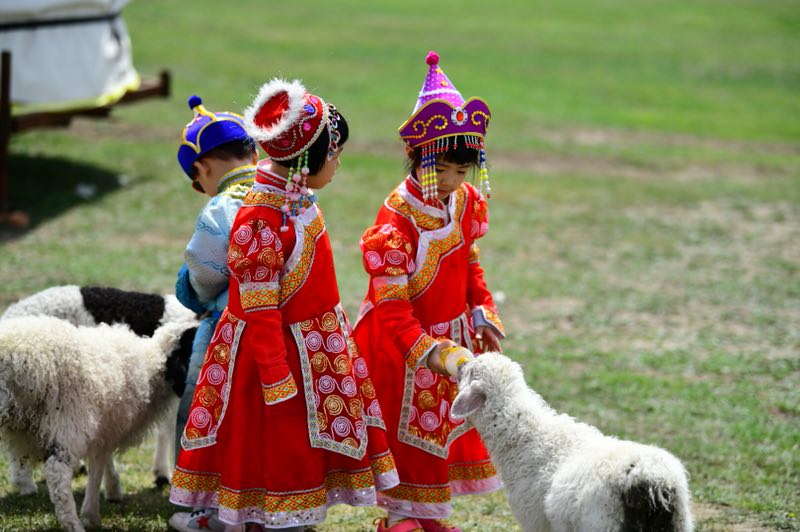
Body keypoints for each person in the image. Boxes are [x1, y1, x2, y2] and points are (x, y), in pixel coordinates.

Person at [169, 79, 399, 532]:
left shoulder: (294, 198)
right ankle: (266, 520)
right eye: (334, 154)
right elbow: (259, 310)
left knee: (300, 450)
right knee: (277, 447)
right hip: (275, 361)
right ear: (306, 160)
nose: (338, 164)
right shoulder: (262, 217)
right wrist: (276, 379)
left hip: (312, 350)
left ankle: (274, 519)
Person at [352, 51, 506, 532]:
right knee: (407, 433)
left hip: (451, 339)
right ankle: (401, 515)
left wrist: (481, 307)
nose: (452, 183)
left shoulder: (463, 202)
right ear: (419, 157)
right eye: (444, 171)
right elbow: (392, 305)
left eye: (463, 173)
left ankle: (429, 516)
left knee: (438, 430)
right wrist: (429, 352)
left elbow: (469, 260)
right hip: (401, 344)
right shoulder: (395, 219)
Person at [170, 95, 258, 532]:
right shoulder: (290, 198)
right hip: (285, 330)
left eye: (195, 179)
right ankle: (273, 506)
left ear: (202, 169)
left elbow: (203, 275)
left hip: (229, 331)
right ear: (255, 152)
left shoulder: (221, 209)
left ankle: (206, 510)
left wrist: (185, 289)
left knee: (207, 409)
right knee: (265, 418)